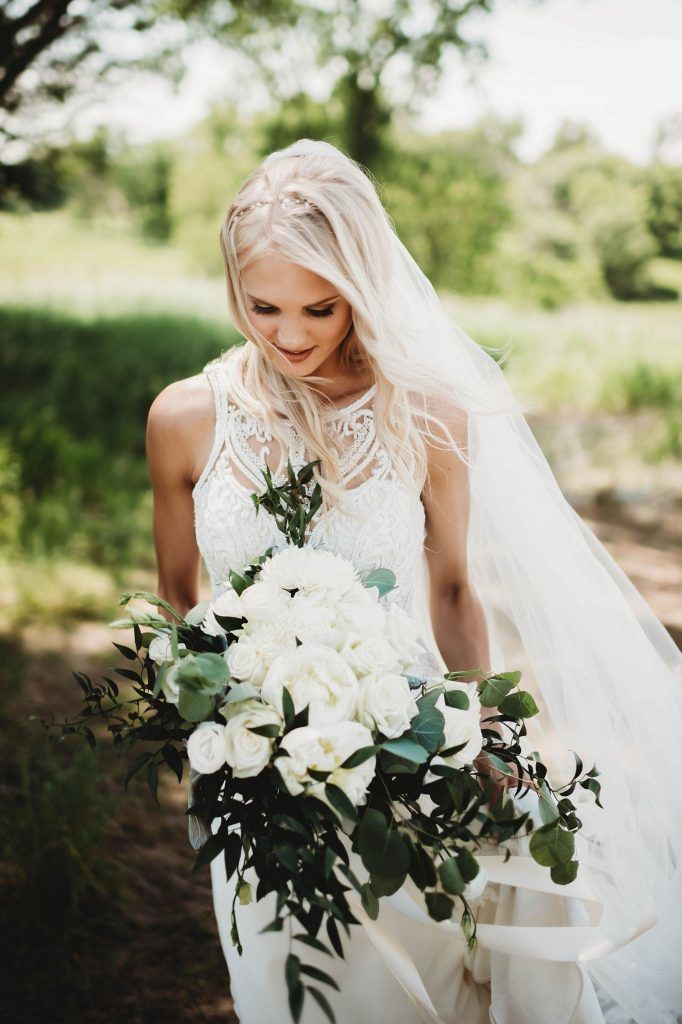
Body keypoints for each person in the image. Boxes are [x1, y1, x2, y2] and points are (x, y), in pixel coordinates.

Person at [145, 139, 682, 1024]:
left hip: (413, 758)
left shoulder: (427, 413)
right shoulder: (185, 417)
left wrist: (499, 738)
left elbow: (453, 594)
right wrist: (217, 741)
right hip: (266, 782)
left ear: (361, 284)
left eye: (320, 307)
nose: (289, 335)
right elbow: (178, 601)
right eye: (262, 304)